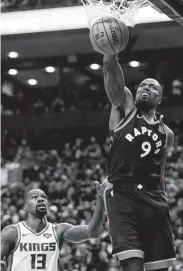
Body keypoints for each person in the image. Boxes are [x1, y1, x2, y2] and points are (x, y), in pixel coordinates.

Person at [102, 54, 176, 271]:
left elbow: (160, 172)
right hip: (123, 197)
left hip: (154, 203)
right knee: (133, 265)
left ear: (159, 99)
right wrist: (110, 52)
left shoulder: (167, 134)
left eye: (152, 87)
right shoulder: (124, 108)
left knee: (159, 268)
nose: (145, 87)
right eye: (142, 85)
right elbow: (109, 68)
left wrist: (163, 206)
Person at [1, 179, 107, 271]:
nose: (41, 199)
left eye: (43, 197)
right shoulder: (12, 232)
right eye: (34, 197)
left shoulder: (58, 231)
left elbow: (93, 232)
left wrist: (101, 198)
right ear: (26, 208)